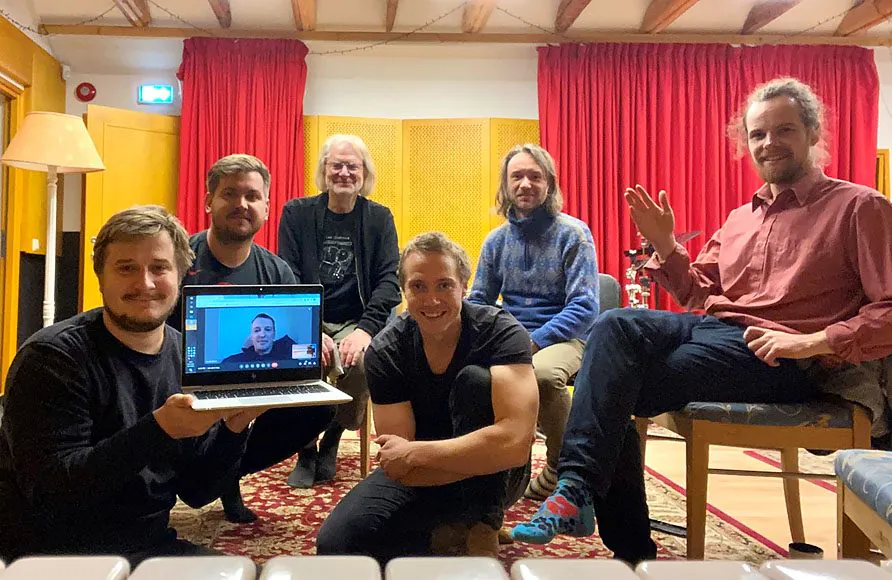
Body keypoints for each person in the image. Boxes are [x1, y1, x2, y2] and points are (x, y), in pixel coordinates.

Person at [511, 77, 892, 564]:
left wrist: (814, 341)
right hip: (719, 332)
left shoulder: (859, 206)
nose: (769, 143)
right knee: (615, 328)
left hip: (782, 356)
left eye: (784, 130)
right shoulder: (741, 218)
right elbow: (697, 292)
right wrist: (666, 246)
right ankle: (585, 498)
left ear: (813, 133)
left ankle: (616, 536)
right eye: (758, 134)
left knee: (610, 383)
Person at [0, 206, 264, 565]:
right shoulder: (51, 359)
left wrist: (236, 426)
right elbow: (54, 496)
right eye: (126, 268)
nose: (145, 284)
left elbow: (198, 492)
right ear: (100, 277)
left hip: (147, 546)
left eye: (159, 267)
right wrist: (159, 428)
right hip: (51, 555)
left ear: (181, 275)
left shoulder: (185, 356)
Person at [316, 232, 538, 562]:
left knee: (474, 380)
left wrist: (419, 452)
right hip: (428, 476)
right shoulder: (386, 350)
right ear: (404, 292)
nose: (431, 300)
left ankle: (482, 524)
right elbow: (403, 469)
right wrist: (482, 454)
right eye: (418, 286)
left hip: (498, 479)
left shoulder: (501, 332)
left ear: (464, 287)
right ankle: (447, 531)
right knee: (337, 544)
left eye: (444, 285)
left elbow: (515, 445)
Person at [169, 154, 333, 523]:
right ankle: (196, 476)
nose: (241, 204)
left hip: (255, 389)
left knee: (319, 409)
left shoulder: (276, 270)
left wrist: (316, 337)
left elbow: (293, 333)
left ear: (266, 207)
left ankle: (226, 475)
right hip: (184, 386)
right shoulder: (178, 262)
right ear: (208, 201)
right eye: (229, 194)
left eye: (252, 196)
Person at [468, 143, 599, 501]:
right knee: (470, 375)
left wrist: (536, 340)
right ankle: (494, 466)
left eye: (534, 176)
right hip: (513, 337)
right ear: (506, 185)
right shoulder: (496, 241)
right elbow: (479, 300)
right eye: (517, 176)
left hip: (567, 337)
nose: (525, 184)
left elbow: (585, 306)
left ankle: (561, 468)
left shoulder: (574, 234)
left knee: (541, 375)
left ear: (549, 184)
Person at [279, 134, 401, 488]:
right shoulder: (297, 213)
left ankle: (332, 436)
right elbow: (288, 275)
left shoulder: (379, 218)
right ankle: (305, 447)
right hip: (308, 316)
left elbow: (389, 280)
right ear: (324, 170)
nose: (344, 173)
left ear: (364, 173)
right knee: (299, 357)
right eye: (337, 165)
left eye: (352, 166)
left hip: (356, 320)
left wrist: (365, 330)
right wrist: (308, 328)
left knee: (360, 362)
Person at [221, 313, 297, 363]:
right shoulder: (232, 361)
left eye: (267, 329)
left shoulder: (288, 357)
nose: (262, 335)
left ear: (274, 334)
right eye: (257, 330)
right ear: (252, 336)